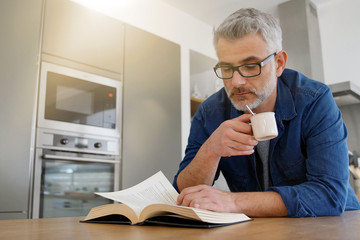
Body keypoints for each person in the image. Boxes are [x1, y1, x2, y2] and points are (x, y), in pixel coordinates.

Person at [173, 8, 360, 217]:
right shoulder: (210, 113)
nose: (236, 82)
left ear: (279, 63)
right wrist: (210, 150)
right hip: (261, 228)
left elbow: (329, 196)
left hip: (336, 224)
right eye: (226, 69)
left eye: (251, 66)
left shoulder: (314, 100)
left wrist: (233, 202)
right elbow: (184, 194)